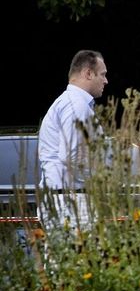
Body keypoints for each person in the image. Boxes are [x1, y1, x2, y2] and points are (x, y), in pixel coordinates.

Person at [37, 50, 108, 230]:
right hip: (72, 202)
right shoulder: (75, 104)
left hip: (64, 200)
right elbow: (73, 156)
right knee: (81, 257)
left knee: (62, 258)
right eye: (103, 75)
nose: (106, 81)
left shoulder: (69, 102)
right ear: (88, 73)